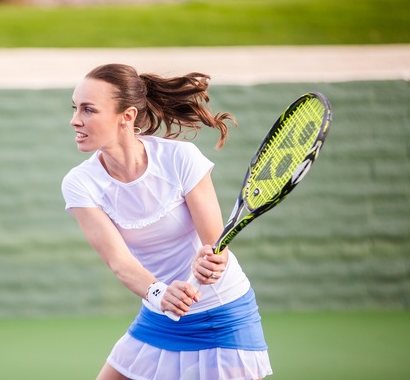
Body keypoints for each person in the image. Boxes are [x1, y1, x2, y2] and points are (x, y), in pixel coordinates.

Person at [61, 63, 272, 380]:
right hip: (160, 311)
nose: (75, 120)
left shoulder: (180, 158)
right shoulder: (80, 183)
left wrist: (212, 259)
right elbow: (119, 262)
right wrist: (159, 294)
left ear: (127, 116)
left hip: (222, 314)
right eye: (76, 108)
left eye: (89, 110)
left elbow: (215, 244)